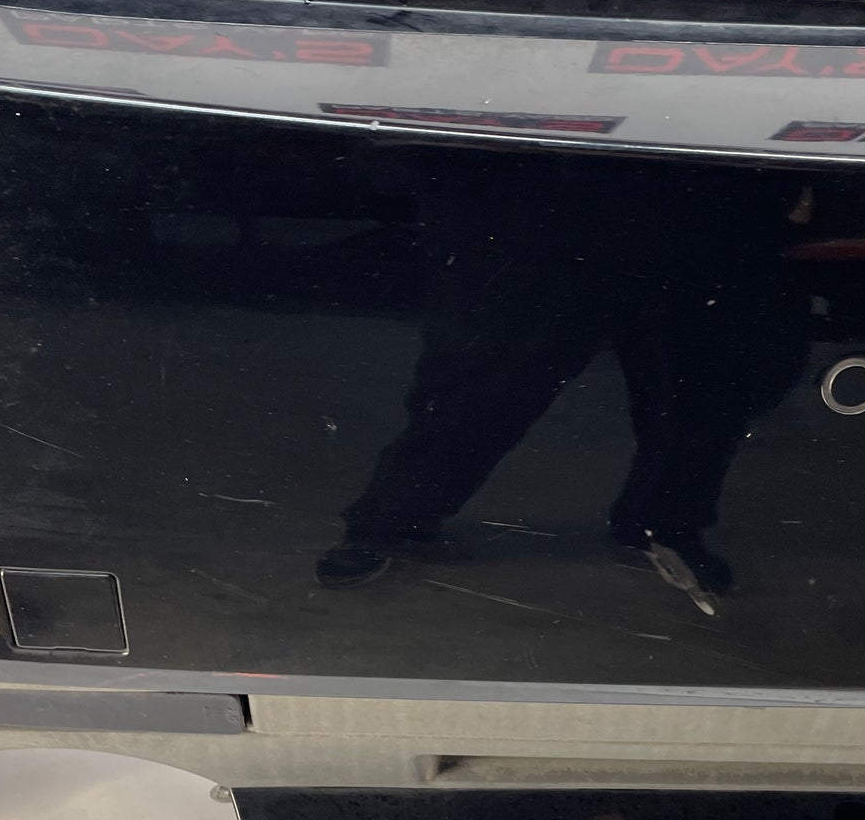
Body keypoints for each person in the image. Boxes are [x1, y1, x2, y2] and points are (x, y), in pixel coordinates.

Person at [316, 146, 807, 606]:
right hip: (545, 194)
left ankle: (667, 523)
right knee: (487, 377)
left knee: (701, 384)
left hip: (702, 198)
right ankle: (392, 520)